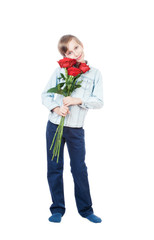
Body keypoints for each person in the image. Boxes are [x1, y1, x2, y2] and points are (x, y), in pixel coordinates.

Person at [41, 34, 104, 223]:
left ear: (81, 45)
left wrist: (79, 100)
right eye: (69, 51)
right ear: (64, 54)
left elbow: (99, 101)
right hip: (55, 126)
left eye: (76, 47)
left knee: (79, 168)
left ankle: (86, 210)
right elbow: (45, 95)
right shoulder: (60, 70)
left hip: (76, 129)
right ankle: (57, 209)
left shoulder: (95, 74)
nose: (74, 53)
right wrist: (56, 108)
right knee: (54, 167)